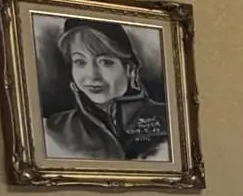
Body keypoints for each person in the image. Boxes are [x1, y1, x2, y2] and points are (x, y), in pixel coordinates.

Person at [43, 18, 171, 161]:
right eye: (80, 62)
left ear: (130, 70)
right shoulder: (52, 129)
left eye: (105, 62)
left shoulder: (169, 120)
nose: (92, 76)